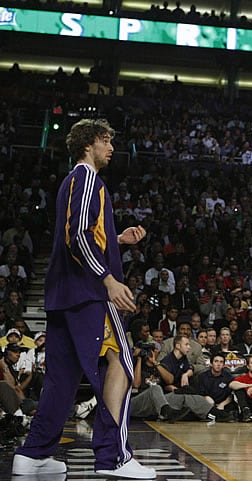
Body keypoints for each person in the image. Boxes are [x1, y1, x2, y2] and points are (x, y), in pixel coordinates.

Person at [12, 119, 155, 479]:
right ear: (91, 142)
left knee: (62, 378)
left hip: (64, 295)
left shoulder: (71, 183)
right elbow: (76, 235)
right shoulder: (88, 178)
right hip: (88, 293)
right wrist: (107, 279)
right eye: (107, 141)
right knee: (121, 362)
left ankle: (34, 454)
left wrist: (116, 239)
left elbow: (80, 233)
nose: (112, 148)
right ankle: (114, 457)